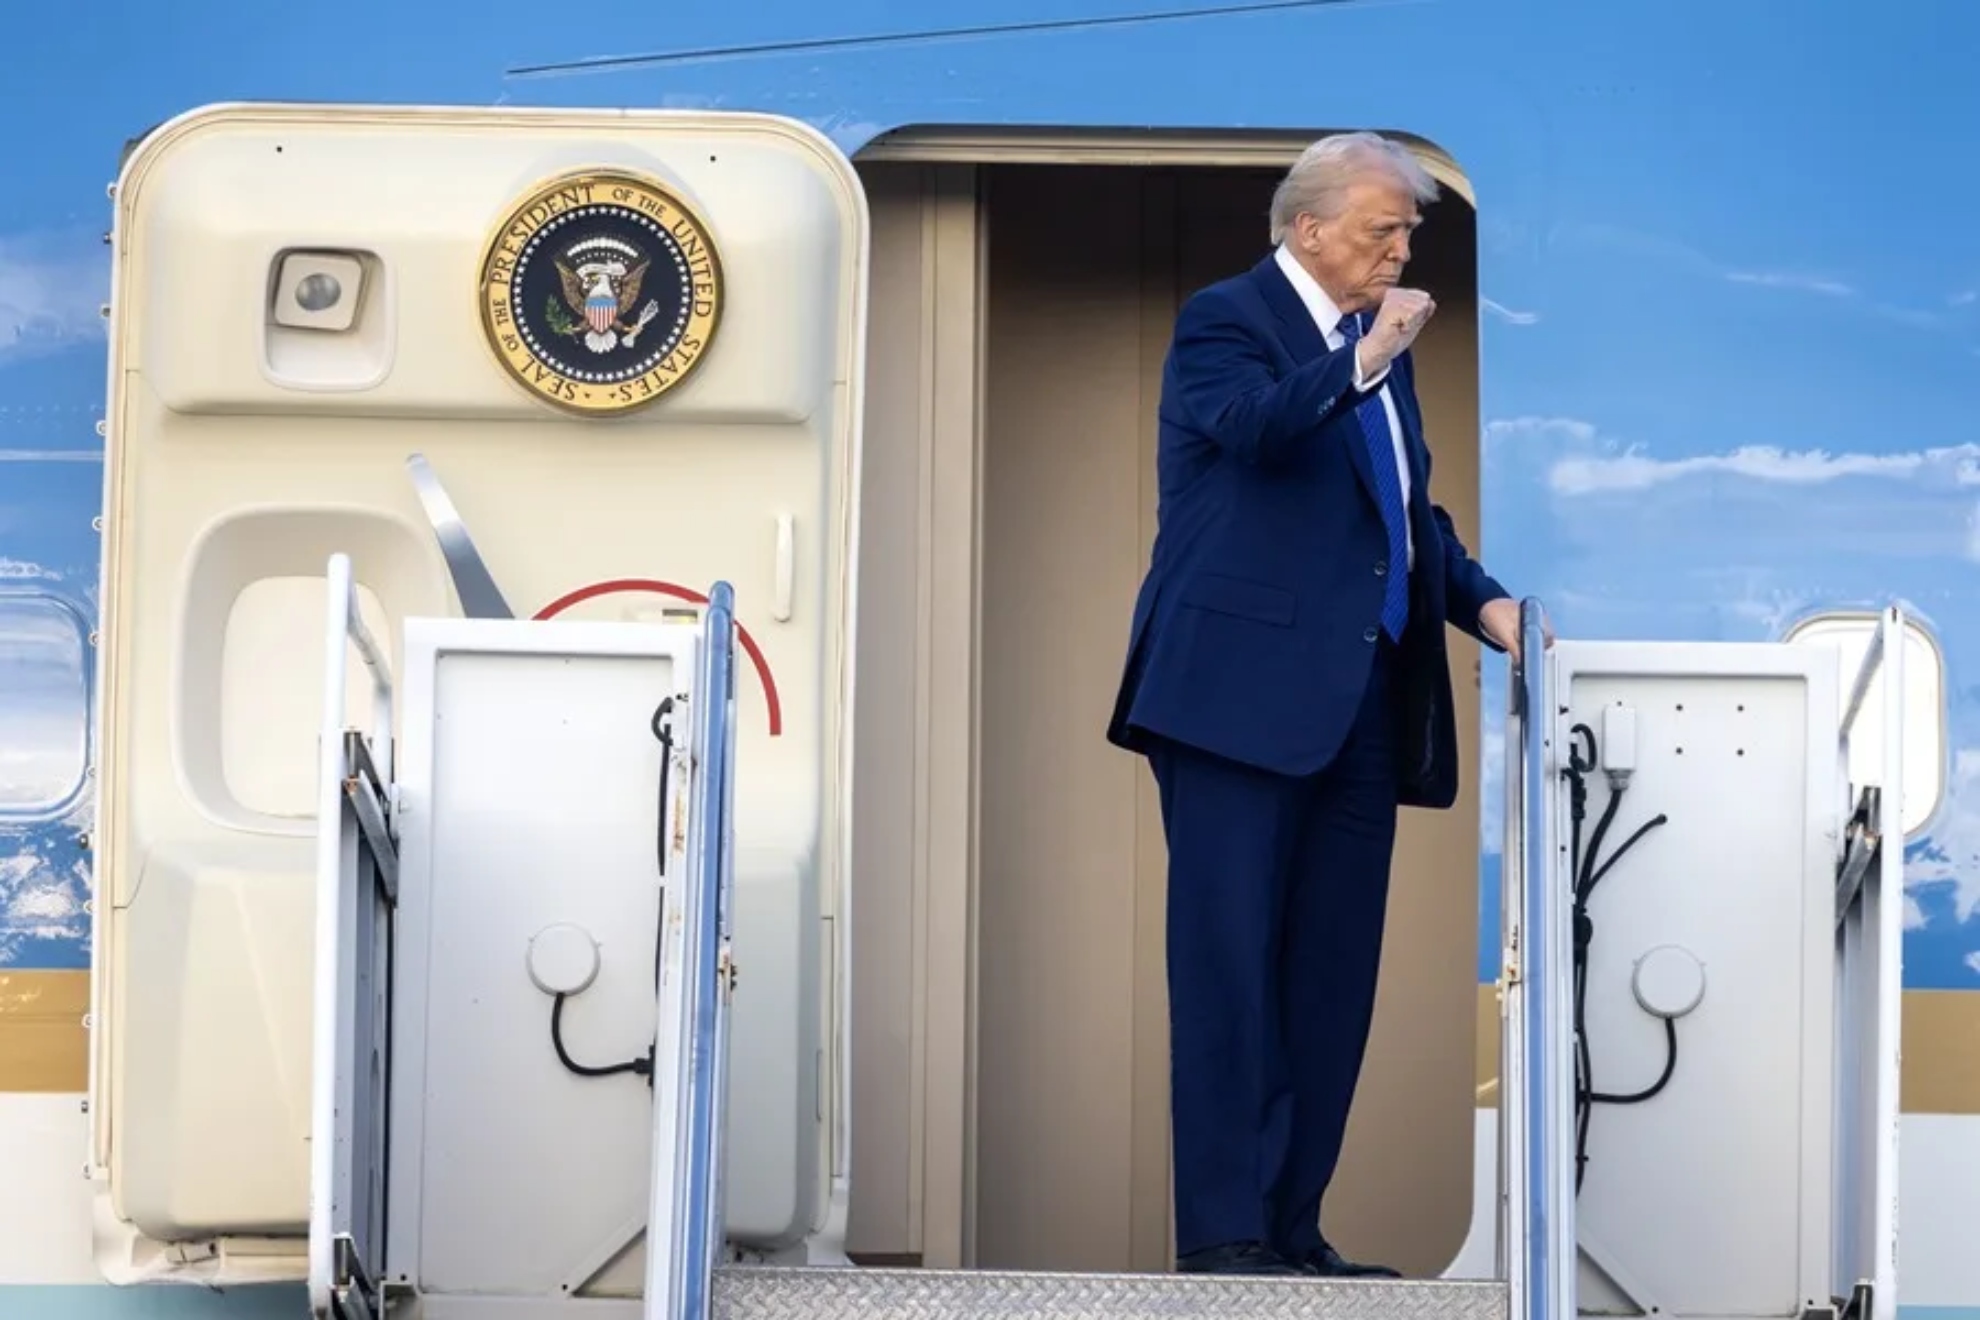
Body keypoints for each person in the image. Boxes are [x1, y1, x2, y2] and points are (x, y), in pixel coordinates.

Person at [1105, 131, 1541, 1278]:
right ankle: (1226, 1238)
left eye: (1409, 234)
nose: (1401, 252)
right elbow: (1255, 428)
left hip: (1361, 705)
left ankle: (1292, 1232)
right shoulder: (1228, 321)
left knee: (1329, 983)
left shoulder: (1372, 348)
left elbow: (1405, 514)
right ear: (1308, 229)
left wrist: (1487, 605)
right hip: (1231, 704)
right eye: (1382, 230)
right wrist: (1368, 357)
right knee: (1229, 974)